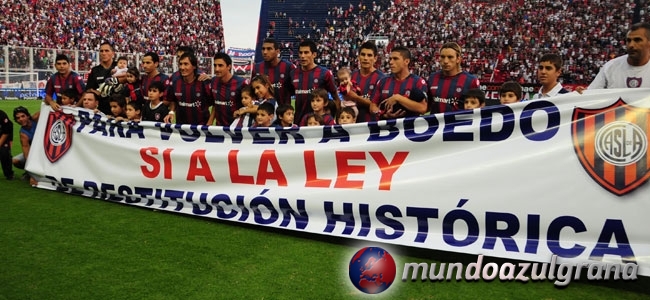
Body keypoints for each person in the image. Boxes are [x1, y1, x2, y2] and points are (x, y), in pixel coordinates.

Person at [586, 22, 650, 89]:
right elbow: (592, 93)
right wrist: (582, 94)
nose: (631, 45)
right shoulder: (610, 67)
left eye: (637, 40)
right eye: (628, 40)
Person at [290, 40, 340, 123]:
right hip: (299, 122)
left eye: (306, 53)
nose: (302, 56)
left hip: (319, 123)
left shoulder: (325, 73)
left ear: (314, 54)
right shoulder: (293, 74)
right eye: (300, 53)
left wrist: (336, 118)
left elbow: (335, 97)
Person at [372, 46, 428, 120]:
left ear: (406, 61)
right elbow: (372, 106)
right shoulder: (383, 81)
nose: (391, 62)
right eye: (390, 59)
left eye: (395, 59)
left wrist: (398, 98)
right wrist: (382, 114)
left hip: (409, 129)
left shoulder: (418, 82)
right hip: (386, 129)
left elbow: (423, 108)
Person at [427, 42, 480, 114]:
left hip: (459, 124)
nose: (445, 61)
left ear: (458, 59)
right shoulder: (432, 78)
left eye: (450, 57)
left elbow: (478, 110)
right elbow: (426, 105)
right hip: (435, 124)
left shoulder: (471, 81)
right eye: (442, 57)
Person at [164, 52, 213, 125]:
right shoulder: (175, 82)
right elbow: (173, 100)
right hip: (181, 127)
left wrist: (209, 122)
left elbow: (214, 104)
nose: (182, 67)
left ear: (194, 66)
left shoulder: (203, 82)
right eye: (180, 64)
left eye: (186, 64)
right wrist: (171, 112)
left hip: (201, 127)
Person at [208, 52, 250, 126]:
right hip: (219, 128)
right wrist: (210, 121)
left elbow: (251, 105)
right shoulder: (213, 81)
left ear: (229, 67)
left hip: (236, 129)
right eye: (215, 65)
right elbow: (216, 104)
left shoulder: (241, 83)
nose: (216, 69)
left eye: (220, 65)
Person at [348, 41, 386, 123]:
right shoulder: (352, 76)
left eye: (369, 55)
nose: (365, 58)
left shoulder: (382, 79)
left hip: (373, 125)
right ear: (358, 57)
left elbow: (377, 106)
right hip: (353, 125)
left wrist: (356, 97)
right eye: (363, 54)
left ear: (375, 58)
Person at [253, 38, 296, 105]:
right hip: (263, 112)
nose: (265, 52)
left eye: (269, 49)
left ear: (277, 51)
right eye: (263, 49)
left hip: (282, 113)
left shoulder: (289, 67)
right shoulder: (257, 68)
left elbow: (295, 90)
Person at [86, 42, 118, 114]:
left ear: (113, 53)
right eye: (101, 51)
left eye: (106, 51)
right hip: (101, 111)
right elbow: (89, 90)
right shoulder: (95, 70)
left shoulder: (119, 67)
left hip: (119, 111)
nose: (103, 53)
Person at [12, 106, 38, 185]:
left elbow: (46, 109)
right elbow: (27, 153)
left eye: (23, 116)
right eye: (18, 118)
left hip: (47, 148)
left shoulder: (36, 119)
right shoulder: (23, 134)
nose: (21, 119)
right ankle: (29, 172)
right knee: (15, 161)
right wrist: (32, 175)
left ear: (28, 116)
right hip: (34, 152)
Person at [0, 109, 13, 180]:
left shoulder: (1, 115)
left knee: (4, 152)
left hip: (2, 138)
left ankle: (9, 174)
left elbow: (6, 132)